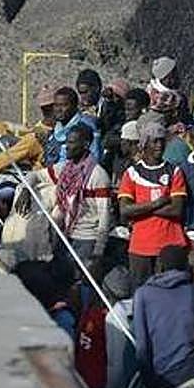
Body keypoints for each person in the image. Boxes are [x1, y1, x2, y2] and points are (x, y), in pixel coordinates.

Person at [16, 123, 112, 287]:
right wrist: (26, 189)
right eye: (67, 142)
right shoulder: (65, 169)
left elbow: (104, 216)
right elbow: (35, 175)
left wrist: (98, 252)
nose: (66, 147)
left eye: (72, 142)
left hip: (86, 240)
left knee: (80, 284)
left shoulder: (98, 175)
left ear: (86, 144)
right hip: (64, 235)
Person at [117, 121, 189, 281]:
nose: (159, 145)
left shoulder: (174, 171)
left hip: (170, 244)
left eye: (162, 140)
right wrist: (157, 203)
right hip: (141, 246)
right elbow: (125, 210)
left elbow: (176, 209)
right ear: (144, 144)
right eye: (154, 141)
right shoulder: (131, 173)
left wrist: (140, 208)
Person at [132, 245, 194, 388]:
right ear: (186, 264)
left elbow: (142, 347)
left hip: (165, 378)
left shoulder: (143, 294)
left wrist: (149, 382)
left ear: (159, 265)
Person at [44, 87, 101, 164]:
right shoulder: (56, 129)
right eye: (56, 105)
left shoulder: (86, 126)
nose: (59, 110)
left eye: (64, 105)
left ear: (74, 106)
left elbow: (94, 158)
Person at [147, 56, 186, 122]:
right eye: (174, 72)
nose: (177, 75)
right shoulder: (163, 97)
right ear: (168, 77)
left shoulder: (154, 88)